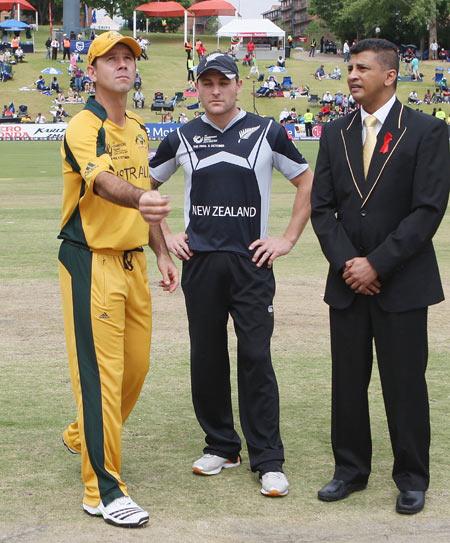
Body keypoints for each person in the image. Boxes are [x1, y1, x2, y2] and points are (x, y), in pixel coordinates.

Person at [150, 53, 313, 498]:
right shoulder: (182, 135)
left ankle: (268, 460)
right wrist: (165, 237)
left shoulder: (267, 131)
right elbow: (146, 187)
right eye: (207, 83)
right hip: (200, 264)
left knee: (256, 357)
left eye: (223, 82)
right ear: (197, 88)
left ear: (238, 85)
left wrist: (287, 239)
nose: (215, 90)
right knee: (206, 356)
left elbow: (307, 181)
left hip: (252, 264)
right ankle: (221, 445)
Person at [311, 38, 450, 516]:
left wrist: (379, 264)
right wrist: (351, 264)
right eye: (349, 67)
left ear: (390, 75)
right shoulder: (334, 133)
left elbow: (427, 210)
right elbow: (323, 209)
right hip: (347, 284)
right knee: (347, 383)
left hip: (403, 285)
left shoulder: (427, 131)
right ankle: (349, 470)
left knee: (404, 383)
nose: (351, 75)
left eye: (361, 68)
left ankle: (411, 478)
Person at [58, 31, 178, 528]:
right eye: (112, 58)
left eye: (129, 57)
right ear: (93, 71)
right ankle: (102, 488)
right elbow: (106, 183)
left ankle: (79, 434)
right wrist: (141, 200)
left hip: (135, 263)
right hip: (92, 262)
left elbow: (146, 195)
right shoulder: (82, 126)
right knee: (102, 378)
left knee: (137, 368)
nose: (123, 64)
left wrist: (164, 248)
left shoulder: (140, 128)